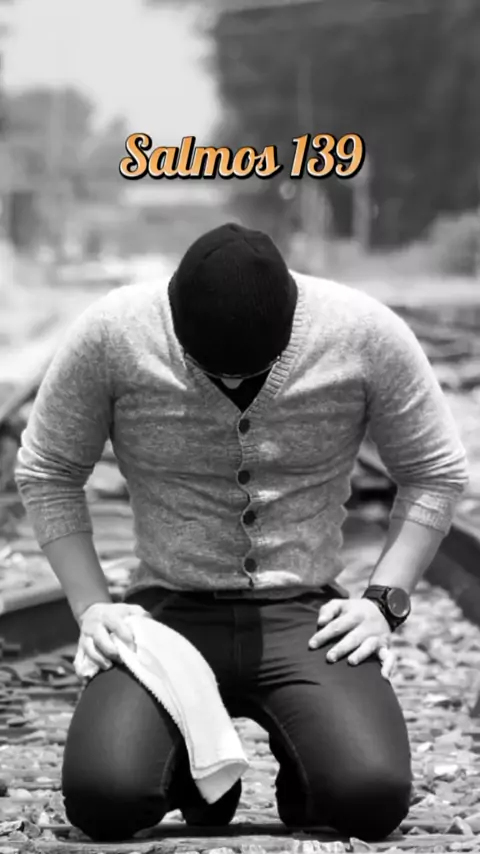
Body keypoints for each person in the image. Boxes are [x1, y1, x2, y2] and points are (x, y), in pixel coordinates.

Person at [15, 223, 468, 843]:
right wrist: (92, 606)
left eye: (250, 372)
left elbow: (435, 472)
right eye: (212, 372)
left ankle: (304, 773)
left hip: (305, 616)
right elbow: (47, 469)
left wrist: (383, 602)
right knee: (104, 800)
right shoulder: (112, 333)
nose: (231, 387)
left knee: (370, 798)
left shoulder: (364, 332)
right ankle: (204, 776)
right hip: (165, 614)